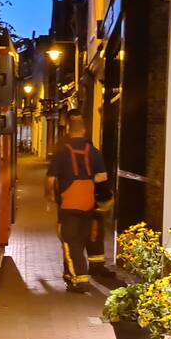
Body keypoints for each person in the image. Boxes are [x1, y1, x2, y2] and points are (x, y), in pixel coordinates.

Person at [45, 110, 113, 293]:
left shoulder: (61, 151)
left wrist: (50, 195)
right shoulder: (94, 151)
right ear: (84, 131)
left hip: (68, 206)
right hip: (88, 206)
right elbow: (102, 177)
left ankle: (79, 280)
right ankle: (75, 275)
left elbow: (51, 179)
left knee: (70, 241)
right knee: (84, 239)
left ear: (68, 129)